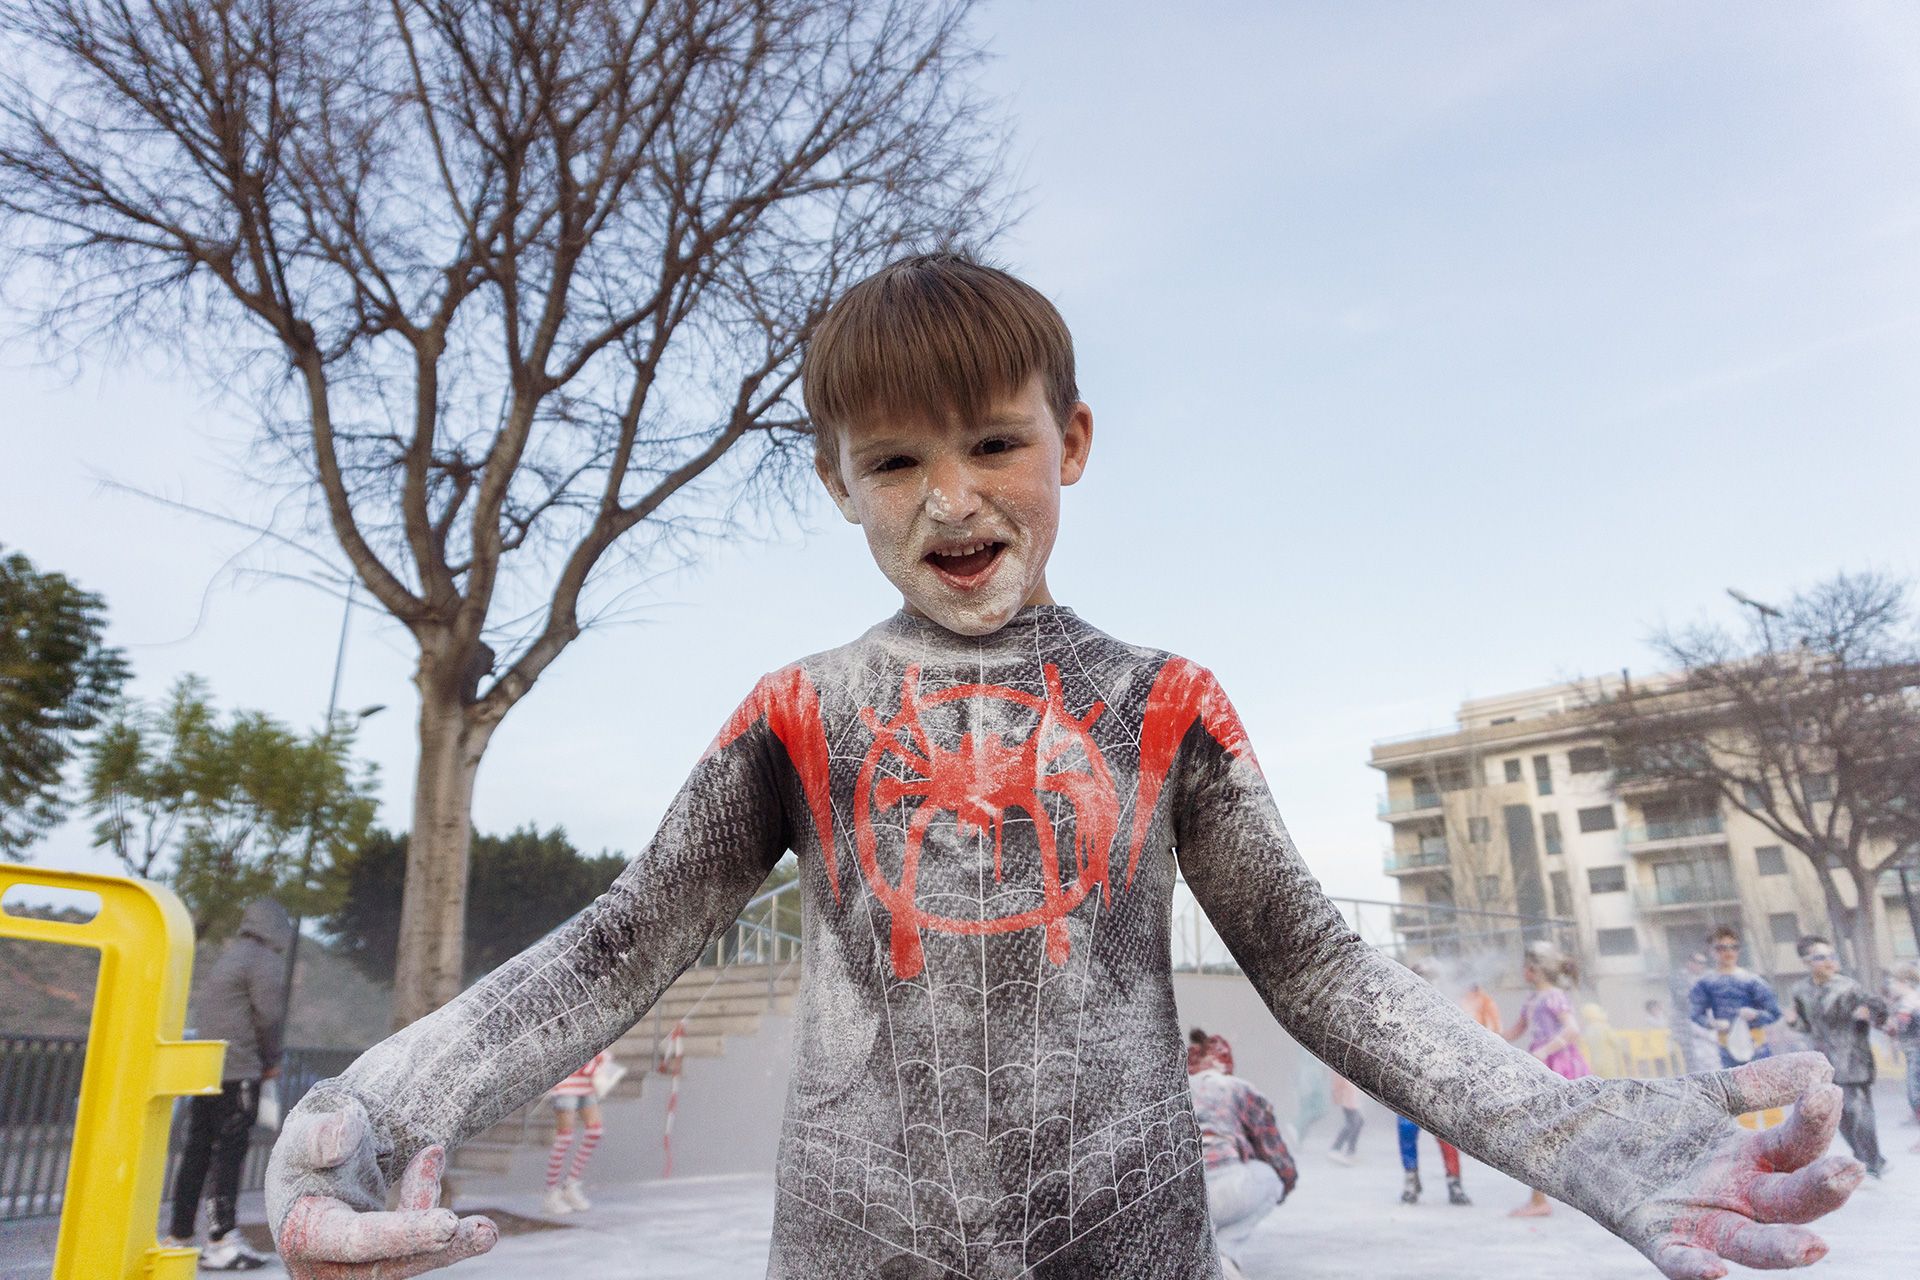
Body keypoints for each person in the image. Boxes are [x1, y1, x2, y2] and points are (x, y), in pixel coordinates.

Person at [267, 253, 1863, 1280]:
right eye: (896, 460)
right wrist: (370, 1104)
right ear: (836, 481)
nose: (952, 498)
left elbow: (1315, 965)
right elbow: (622, 942)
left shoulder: (1166, 703)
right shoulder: (797, 713)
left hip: (1132, 1247)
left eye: (994, 444)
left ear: (1072, 441)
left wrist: (1593, 1138)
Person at [163, 899, 293, 1271]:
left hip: (209, 1070)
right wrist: (271, 1061)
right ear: (276, 928)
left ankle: (180, 1236)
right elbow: (268, 1016)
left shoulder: (231, 956)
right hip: (239, 1070)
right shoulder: (263, 959)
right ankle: (222, 1240)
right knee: (229, 1155)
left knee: (197, 1152)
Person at [1187, 1030, 1296, 1279]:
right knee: (1270, 1178)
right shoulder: (1237, 1089)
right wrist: (1285, 1183)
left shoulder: (1174, 1089)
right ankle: (1225, 1253)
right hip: (1224, 1186)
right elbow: (1274, 1152)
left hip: (1178, 1198)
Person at [1784, 937, 1888, 1177]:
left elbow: (1879, 1011)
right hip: (1823, 1062)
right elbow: (1805, 1026)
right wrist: (1792, 1022)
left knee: (1858, 1110)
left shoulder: (1849, 987)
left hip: (1853, 1058)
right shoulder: (1800, 990)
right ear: (1806, 962)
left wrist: (1869, 1015)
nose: (1829, 961)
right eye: (1821, 957)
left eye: (1832, 956)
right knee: (1837, 1115)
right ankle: (1864, 1157)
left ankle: (1873, 1162)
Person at [1505, 940, 1593, 1218]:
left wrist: (1545, 1049)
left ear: (1533, 969)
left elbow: (1572, 1029)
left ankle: (1541, 1199)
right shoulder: (1532, 1000)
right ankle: (1539, 1198)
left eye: (1525, 967)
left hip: (1560, 1065)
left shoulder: (1554, 997)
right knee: (1541, 1131)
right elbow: (1514, 1031)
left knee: (1548, 1131)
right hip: (1541, 1065)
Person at [1689, 926, 1783, 1068]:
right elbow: (1695, 1014)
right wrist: (1712, 1023)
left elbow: (1774, 1013)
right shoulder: (1706, 983)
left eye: (1733, 947)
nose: (1729, 952)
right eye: (1721, 948)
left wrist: (1756, 1015)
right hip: (1726, 1050)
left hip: (1757, 1048)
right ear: (1710, 951)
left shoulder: (1753, 981)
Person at [540, 1051, 611, 1215]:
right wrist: (595, 1064)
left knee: (595, 1131)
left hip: (587, 1085)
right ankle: (550, 1193)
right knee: (565, 1138)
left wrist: (602, 1058)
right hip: (567, 1085)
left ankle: (570, 1184)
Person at [1882, 962, 1920, 1153]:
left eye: (1893, 982)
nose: (1890, 986)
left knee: (1916, 1094)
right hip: (1914, 1052)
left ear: (1904, 982)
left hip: (1917, 1052)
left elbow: (1898, 1028)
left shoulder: (1909, 1002)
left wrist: (1888, 1025)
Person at [1326, 1071, 1363, 1165]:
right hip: (1347, 1099)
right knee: (1353, 1123)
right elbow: (1337, 1081)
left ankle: (1350, 1151)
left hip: (1351, 1098)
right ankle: (1337, 1148)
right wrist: (1337, 1095)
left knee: (1357, 1122)